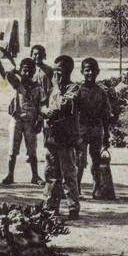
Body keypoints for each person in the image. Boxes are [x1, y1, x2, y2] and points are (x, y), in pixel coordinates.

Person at [41, 54, 81, 218]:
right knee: (51, 174)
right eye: (56, 71)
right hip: (51, 138)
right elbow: (42, 104)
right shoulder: (52, 88)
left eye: (61, 71)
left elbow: (65, 105)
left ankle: (73, 207)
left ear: (68, 71)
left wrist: (51, 112)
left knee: (68, 175)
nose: (57, 75)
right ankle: (50, 206)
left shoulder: (74, 88)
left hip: (65, 138)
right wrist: (44, 111)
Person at [1, 57, 43, 186]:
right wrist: (17, 71)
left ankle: (35, 176)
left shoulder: (37, 87)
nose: (27, 73)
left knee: (32, 150)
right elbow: (8, 75)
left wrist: (39, 121)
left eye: (29, 70)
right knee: (13, 149)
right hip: (17, 120)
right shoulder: (18, 84)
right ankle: (10, 174)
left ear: (33, 71)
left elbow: (40, 105)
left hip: (30, 121)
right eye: (24, 70)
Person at [75, 57, 111, 199]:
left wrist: (106, 134)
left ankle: (97, 188)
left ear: (98, 72)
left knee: (96, 160)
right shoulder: (77, 91)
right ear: (82, 72)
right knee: (80, 160)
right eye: (87, 70)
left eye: (92, 70)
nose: (90, 73)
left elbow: (106, 115)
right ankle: (76, 188)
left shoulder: (101, 92)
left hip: (96, 129)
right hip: (81, 129)